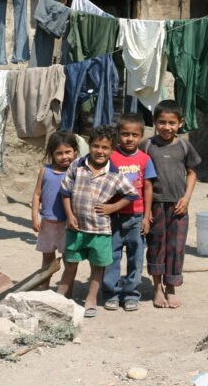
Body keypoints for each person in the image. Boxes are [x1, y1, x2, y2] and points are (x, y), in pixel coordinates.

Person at [56, 125, 139, 318]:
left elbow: (131, 194)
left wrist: (112, 208)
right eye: (95, 146)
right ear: (89, 146)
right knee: (70, 263)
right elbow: (66, 192)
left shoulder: (115, 174)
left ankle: (90, 299)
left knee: (97, 267)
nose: (100, 151)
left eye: (105, 147)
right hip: (76, 228)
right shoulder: (77, 166)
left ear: (112, 150)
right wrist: (70, 215)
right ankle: (62, 297)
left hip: (100, 230)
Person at [141, 100, 201, 309]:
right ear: (154, 122)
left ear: (180, 123)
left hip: (178, 206)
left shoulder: (184, 145)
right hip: (155, 204)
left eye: (172, 123)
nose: (167, 127)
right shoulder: (147, 145)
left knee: (176, 247)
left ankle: (172, 286)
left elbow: (192, 172)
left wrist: (186, 198)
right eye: (162, 122)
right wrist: (145, 211)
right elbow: (140, 178)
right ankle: (157, 287)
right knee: (156, 245)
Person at [103, 113, 156, 311]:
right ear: (118, 135)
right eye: (125, 134)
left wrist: (146, 215)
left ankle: (131, 293)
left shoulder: (145, 159)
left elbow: (148, 187)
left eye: (134, 135)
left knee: (136, 256)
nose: (129, 138)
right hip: (113, 216)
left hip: (136, 216)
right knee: (112, 256)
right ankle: (112, 292)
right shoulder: (111, 157)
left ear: (141, 136)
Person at [30, 130, 79, 289]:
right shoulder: (45, 171)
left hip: (68, 225)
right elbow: (37, 194)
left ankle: (66, 291)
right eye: (59, 153)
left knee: (68, 259)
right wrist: (35, 217)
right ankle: (44, 289)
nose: (64, 156)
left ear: (75, 151)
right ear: (52, 154)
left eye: (68, 152)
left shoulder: (77, 172)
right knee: (47, 259)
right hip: (47, 224)